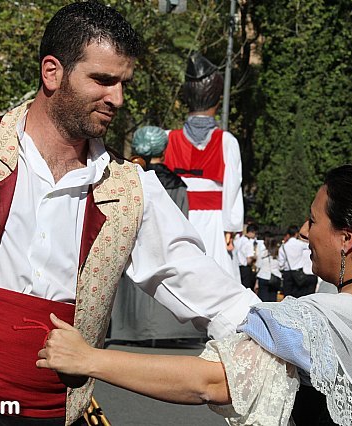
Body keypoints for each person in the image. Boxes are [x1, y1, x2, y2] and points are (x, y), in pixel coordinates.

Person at [0, 1, 260, 424]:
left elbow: (222, 301)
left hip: (47, 416)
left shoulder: (131, 191)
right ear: (52, 72)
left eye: (123, 82)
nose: (118, 98)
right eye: (103, 80)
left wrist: (313, 337)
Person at [38, 100, 352, 424]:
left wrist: (92, 359)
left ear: (347, 239)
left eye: (314, 222)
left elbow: (209, 382)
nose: (307, 232)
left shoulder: (311, 322)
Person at [110, 125, 203, 342]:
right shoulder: (177, 184)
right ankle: (165, 331)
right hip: (164, 248)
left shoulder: (126, 178)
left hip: (132, 245)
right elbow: (181, 220)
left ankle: (131, 330)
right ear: (163, 150)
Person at [164, 52, 244, 280]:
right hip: (214, 224)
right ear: (218, 100)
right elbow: (232, 187)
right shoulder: (227, 141)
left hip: (176, 220)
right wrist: (231, 227)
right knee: (217, 280)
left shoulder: (168, 139)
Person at [278, 225, 317, 298]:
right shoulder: (300, 244)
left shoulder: (282, 247)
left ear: (288, 234)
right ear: (296, 234)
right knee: (298, 295)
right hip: (299, 273)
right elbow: (310, 246)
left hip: (287, 273)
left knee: (287, 296)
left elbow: (281, 264)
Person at [255, 234, 281, 302]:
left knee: (263, 299)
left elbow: (258, 265)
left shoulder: (263, 253)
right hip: (275, 277)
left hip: (263, 276)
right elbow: (282, 265)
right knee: (273, 298)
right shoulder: (278, 253)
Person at [235, 223, 259, 290]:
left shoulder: (238, 240)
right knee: (246, 288)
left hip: (237, 267)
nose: (255, 236)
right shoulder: (249, 243)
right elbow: (249, 260)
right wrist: (255, 257)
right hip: (246, 268)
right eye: (255, 233)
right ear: (252, 232)